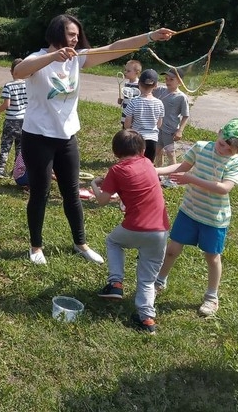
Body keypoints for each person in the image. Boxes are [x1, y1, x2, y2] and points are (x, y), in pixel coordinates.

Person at [13, 14, 173, 266]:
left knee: (72, 193)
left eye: (77, 34)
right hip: (38, 136)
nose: (75, 39)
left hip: (66, 137)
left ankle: (81, 243)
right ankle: (36, 246)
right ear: (56, 33)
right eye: (70, 34)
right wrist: (53, 57)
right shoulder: (37, 58)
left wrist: (150, 36)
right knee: (40, 193)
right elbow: (19, 71)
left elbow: (114, 47)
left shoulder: (78, 59)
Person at [155, 118, 238, 317]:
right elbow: (181, 167)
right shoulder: (201, 147)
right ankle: (159, 281)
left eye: (230, 150)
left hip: (214, 218)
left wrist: (191, 179)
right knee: (172, 250)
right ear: (218, 133)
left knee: (212, 256)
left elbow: (224, 188)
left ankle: (211, 296)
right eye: (222, 144)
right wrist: (154, 170)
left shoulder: (236, 161)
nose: (224, 150)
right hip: (190, 210)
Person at [91, 129, 170, 334]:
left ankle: (115, 283)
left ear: (116, 153)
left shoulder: (116, 170)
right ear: (143, 149)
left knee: (113, 242)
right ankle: (146, 320)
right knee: (147, 278)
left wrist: (94, 185)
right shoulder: (148, 164)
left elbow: (102, 200)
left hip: (135, 226)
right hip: (160, 230)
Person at [0, 58, 27, 178]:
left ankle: (1, 170)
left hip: (11, 120)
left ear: (11, 71)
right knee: (20, 147)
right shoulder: (28, 84)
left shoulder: (8, 86)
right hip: (25, 121)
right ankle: (17, 170)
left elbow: (6, 104)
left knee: (6, 146)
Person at [124, 69, 165, 162]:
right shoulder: (159, 103)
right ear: (155, 86)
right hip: (152, 140)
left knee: (135, 163)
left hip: (137, 139)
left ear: (139, 83)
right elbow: (159, 124)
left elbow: (127, 124)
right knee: (148, 165)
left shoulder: (133, 102)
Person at [153, 69, 190, 166]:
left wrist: (180, 131)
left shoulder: (181, 97)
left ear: (180, 82)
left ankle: (174, 175)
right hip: (158, 127)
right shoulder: (160, 90)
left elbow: (185, 116)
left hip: (170, 130)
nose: (167, 81)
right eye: (166, 79)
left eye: (171, 79)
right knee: (157, 150)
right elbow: (147, 89)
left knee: (170, 152)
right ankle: (159, 170)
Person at [118, 60, 142, 128]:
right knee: (125, 129)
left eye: (128, 71)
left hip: (134, 116)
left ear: (137, 72)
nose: (125, 72)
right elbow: (127, 98)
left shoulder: (139, 85)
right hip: (125, 113)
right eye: (125, 70)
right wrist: (122, 101)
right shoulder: (126, 84)